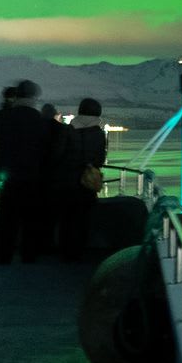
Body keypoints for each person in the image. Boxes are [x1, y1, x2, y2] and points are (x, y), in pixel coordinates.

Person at [0, 79, 50, 264]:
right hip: (31, 176)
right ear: (34, 96)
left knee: (5, 218)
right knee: (30, 219)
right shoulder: (39, 120)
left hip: (5, 176)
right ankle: (28, 255)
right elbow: (45, 149)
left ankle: (2, 256)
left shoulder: (4, 117)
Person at [63, 97, 109, 261]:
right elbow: (100, 159)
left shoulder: (69, 130)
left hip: (68, 181)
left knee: (67, 218)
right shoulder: (98, 134)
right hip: (87, 183)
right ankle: (79, 252)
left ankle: (67, 252)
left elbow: (62, 155)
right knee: (83, 218)